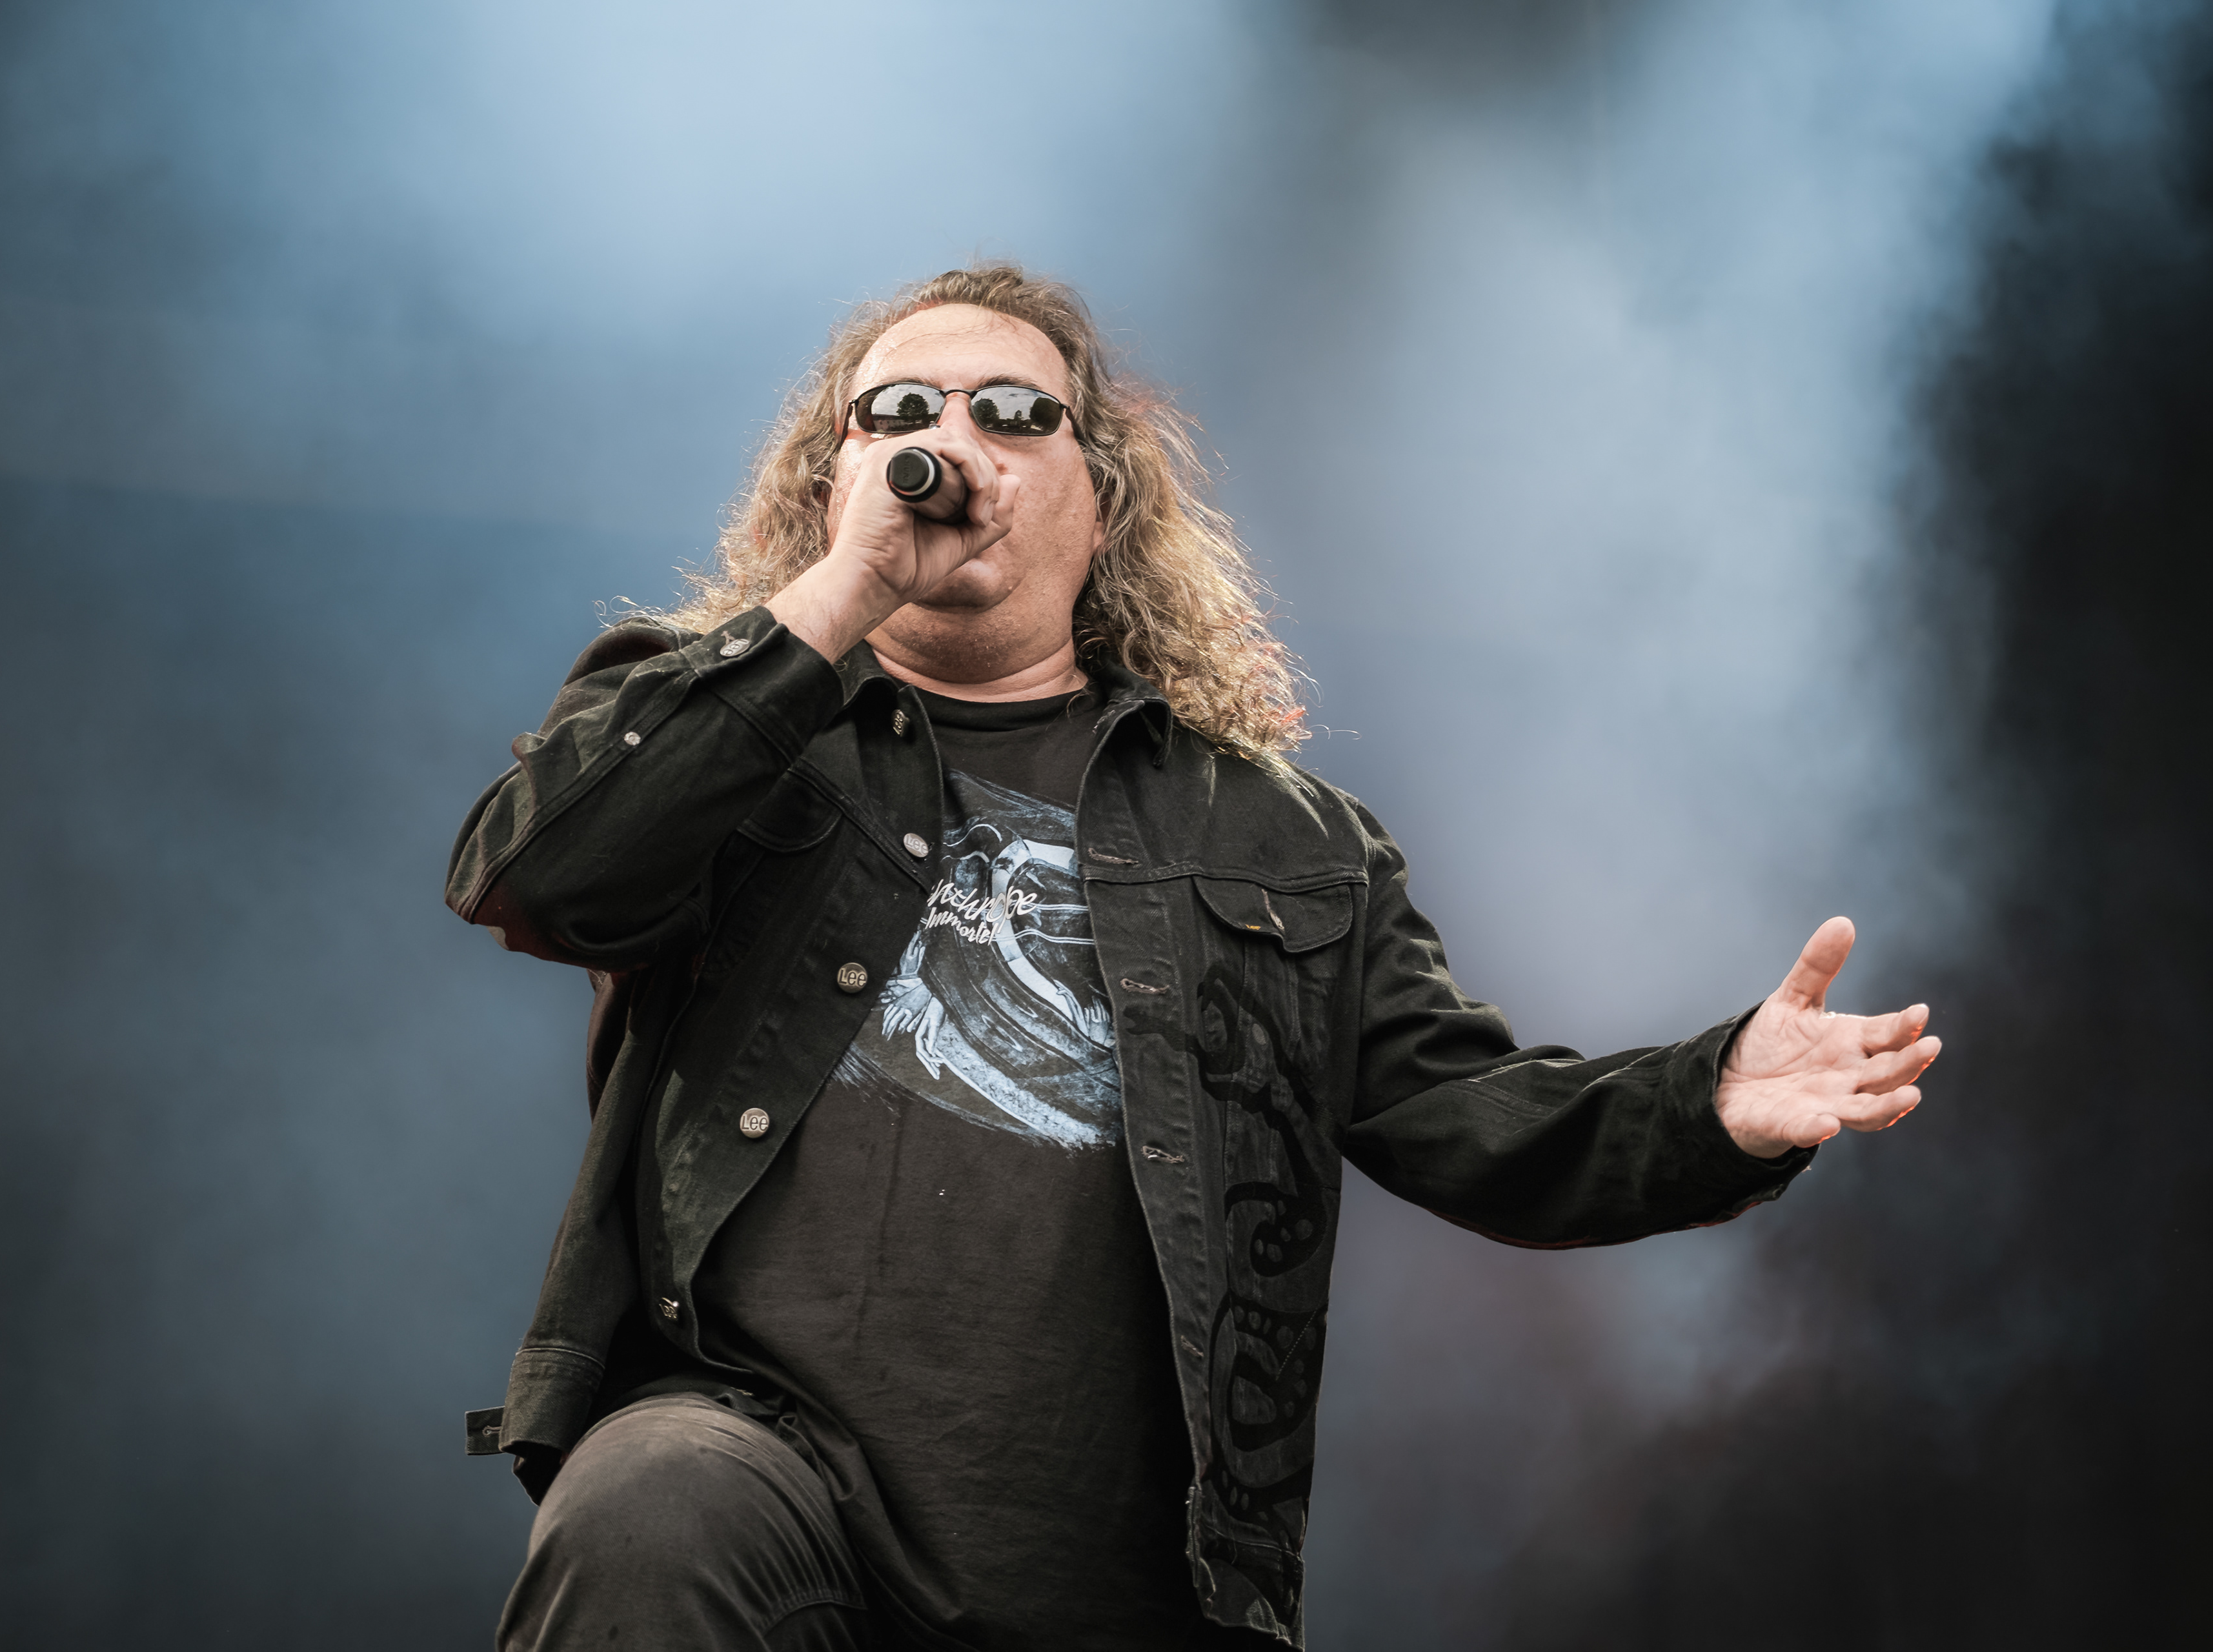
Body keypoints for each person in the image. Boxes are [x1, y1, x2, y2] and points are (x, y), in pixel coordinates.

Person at [446, 264, 1937, 1651]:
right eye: (895, 411)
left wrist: (1713, 1100)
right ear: (828, 477)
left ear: (1101, 497)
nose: (949, 440)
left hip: (1104, 1570)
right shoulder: (715, 730)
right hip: (753, 1483)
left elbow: (1479, 1119)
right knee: (646, 1508)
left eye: (1011, 410)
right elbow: (540, 876)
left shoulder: (1281, 839)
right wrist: (841, 594)